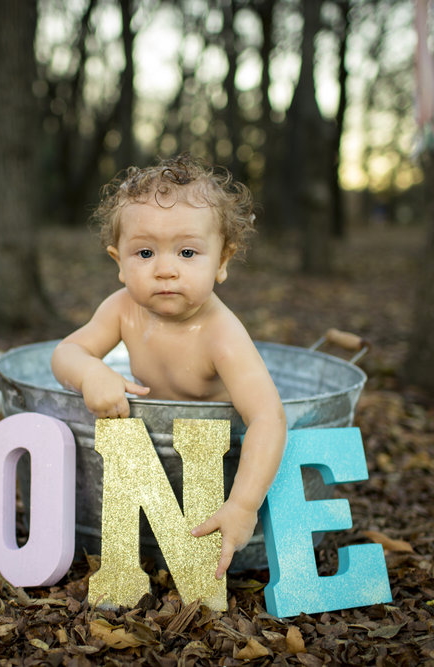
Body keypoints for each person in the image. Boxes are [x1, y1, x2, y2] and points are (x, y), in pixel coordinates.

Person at [51, 154, 287, 579]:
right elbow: (65, 352)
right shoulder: (122, 309)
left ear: (222, 261)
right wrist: (91, 371)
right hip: (145, 476)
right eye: (144, 252)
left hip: (208, 472)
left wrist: (243, 504)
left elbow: (268, 417)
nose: (165, 269)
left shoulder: (223, 336)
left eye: (187, 252)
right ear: (118, 262)